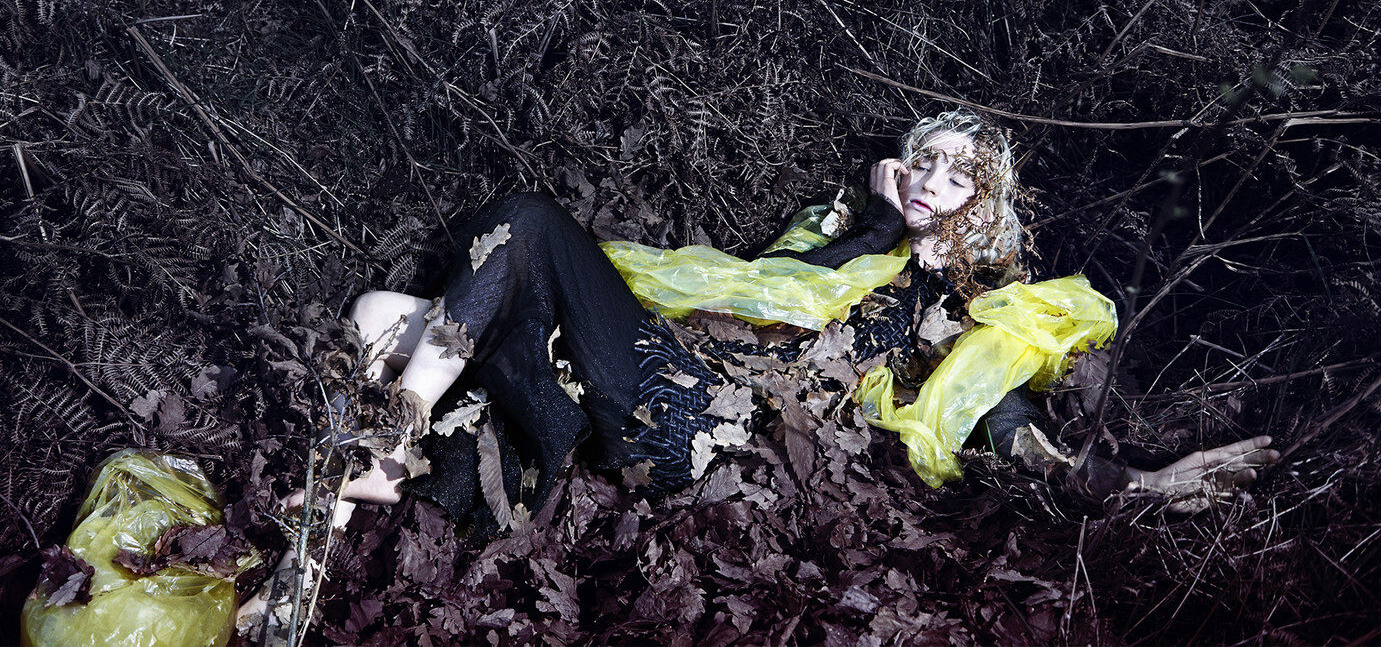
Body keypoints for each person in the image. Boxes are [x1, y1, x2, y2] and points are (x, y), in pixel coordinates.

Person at [237, 110, 1279, 631]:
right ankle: (316, 553)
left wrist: (1144, 485)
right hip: (647, 382)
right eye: (922, 157)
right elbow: (765, 295)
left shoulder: (966, 308)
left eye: (960, 175)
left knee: (527, 220)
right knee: (380, 315)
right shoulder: (836, 234)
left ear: (987, 205)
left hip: (697, 423)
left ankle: (388, 446)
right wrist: (870, 227)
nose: (931, 179)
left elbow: (1006, 433)